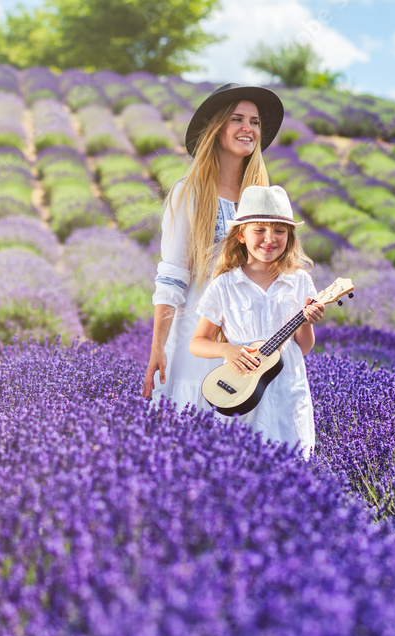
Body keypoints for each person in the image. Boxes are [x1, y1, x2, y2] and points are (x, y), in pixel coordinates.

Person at [142, 83, 285, 410]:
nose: (248, 128)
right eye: (237, 119)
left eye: (255, 122)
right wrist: (157, 348)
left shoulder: (263, 197)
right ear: (217, 128)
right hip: (199, 338)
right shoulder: (189, 193)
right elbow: (172, 277)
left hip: (253, 339)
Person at [189, 185, 324, 460]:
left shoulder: (299, 282)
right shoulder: (225, 285)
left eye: (279, 231)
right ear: (241, 234)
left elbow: (304, 348)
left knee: (295, 469)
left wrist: (306, 321)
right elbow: (197, 342)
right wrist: (227, 350)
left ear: (290, 236)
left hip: (287, 391)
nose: (269, 239)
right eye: (259, 230)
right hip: (240, 391)